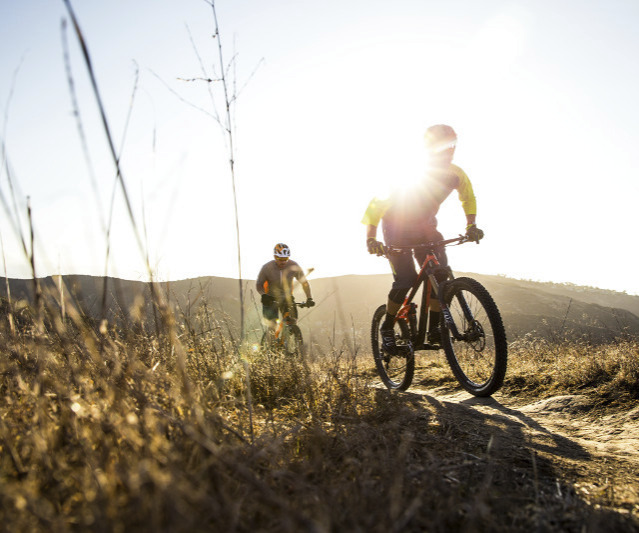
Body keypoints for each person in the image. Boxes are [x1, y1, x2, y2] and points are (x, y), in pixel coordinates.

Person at [361, 124, 484, 353]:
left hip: (426, 228)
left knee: (440, 277)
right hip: (396, 230)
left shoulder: (455, 173)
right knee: (405, 280)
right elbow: (376, 207)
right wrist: (371, 239)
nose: (448, 151)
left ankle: (435, 329)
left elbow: (468, 198)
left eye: (452, 145)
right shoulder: (408, 173)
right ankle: (387, 328)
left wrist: (471, 225)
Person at [256, 243, 315, 329]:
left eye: (285, 259)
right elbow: (259, 284)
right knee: (272, 326)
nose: (283, 262)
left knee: (292, 321)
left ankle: (291, 337)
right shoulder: (267, 267)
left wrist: (309, 298)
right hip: (269, 298)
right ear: (275, 257)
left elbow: (304, 283)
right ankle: (270, 341)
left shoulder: (293, 266)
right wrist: (263, 295)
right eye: (280, 259)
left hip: (287, 297)